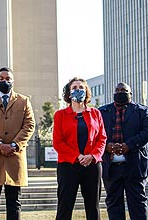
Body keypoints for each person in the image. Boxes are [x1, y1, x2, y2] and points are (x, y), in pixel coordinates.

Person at [0, 67, 35, 220]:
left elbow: (29, 125)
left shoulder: (24, 101)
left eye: (8, 79)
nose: (5, 81)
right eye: (2, 78)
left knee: (14, 201)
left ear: (13, 81)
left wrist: (15, 145)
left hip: (14, 156)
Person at [52, 77, 107, 220]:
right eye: (74, 88)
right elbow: (58, 142)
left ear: (87, 91)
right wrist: (77, 156)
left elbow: (102, 138)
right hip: (68, 166)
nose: (78, 90)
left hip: (92, 166)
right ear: (69, 94)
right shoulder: (60, 115)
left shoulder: (95, 113)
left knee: (93, 207)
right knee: (65, 206)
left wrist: (92, 156)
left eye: (81, 87)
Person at [99, 82, 148, 220]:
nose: (120, 92)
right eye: (117, 90)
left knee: (138, 206)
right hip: (111, 167)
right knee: (113, 206)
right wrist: (107, 146)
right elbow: (94, 134)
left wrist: (128, 146)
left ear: (130, 94)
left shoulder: (142, 111)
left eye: (123, 90)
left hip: (135, 166)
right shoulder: (102, 112)